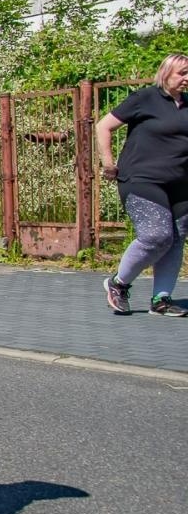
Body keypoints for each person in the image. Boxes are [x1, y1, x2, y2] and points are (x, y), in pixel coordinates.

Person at [97, 53, 188, 317]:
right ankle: (118, 283)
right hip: (141, 179)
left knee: (176, 239)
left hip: (180, 183)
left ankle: (161, 299)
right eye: (182, 73)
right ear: (166, 73)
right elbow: (103, 126)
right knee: (156, 235)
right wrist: (108, 163)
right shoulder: (145, 98)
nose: (187, 78)